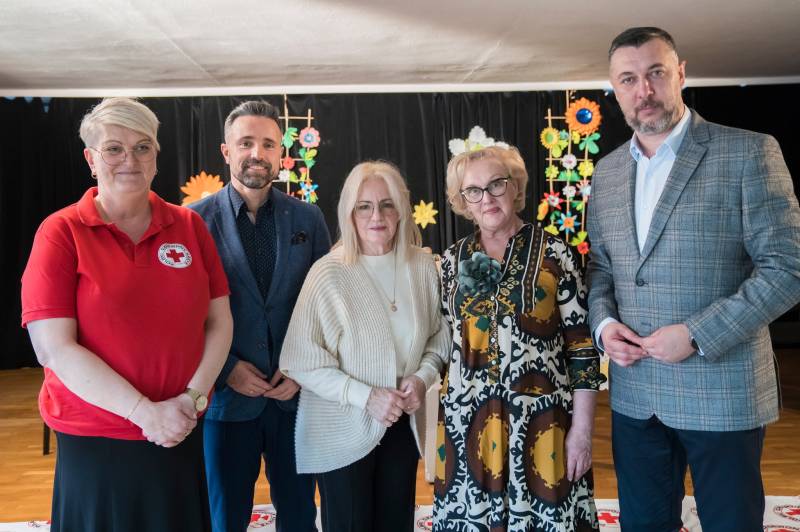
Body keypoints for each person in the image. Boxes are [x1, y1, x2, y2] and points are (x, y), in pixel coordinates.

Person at [586, 27, 800, 532]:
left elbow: (788, 267)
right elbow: (601, 268)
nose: (644, 90)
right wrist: (603, 326)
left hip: (722, 390)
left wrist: (698, 334)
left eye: (656, 73)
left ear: (680, 74)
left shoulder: (748, 152)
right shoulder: (606, 173)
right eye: (628, 79)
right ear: (615, 89)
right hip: (637, 394)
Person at [20, 97, 233, 532]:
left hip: (179, 429)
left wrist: (190, 401)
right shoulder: (61, 232)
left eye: (142, 147)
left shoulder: (189, 227)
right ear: (90, 159)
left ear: (156, 156)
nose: (130, 160)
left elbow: (220, 322)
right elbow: (53, 348)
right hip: (96, 438)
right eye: (114, 148)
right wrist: (143, 413)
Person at [433, 145, 604, 531]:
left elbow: (582, 348)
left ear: (515, 186)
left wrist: (582, 431)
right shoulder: (451, 261)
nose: (486, 197)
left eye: (496, 184)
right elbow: (441, 343)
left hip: (543, 425)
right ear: (463, 201)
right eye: (473, 190)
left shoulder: (555, 254)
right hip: (468, 426)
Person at [279, 161, 449, 532]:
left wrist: (422, 376)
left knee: (396, 523)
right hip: (342, 425)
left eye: (387, 204)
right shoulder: (328, 272)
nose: (377, 216)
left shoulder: (423, 267)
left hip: (401, 424)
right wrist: (366, 396)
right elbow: (301, 360)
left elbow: (440, 335)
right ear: (349, 213)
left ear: (401, 210)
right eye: (364, 206)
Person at [190, 100, 331, 532]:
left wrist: (304, 369)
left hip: (293, 398)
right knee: (225, 518)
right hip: (227, 402)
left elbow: (326, 304)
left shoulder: (308, 218)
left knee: (300, 515)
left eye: (268, 144)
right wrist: (226, 370)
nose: (258, 153)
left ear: (280, 153)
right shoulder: (193, 223)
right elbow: (185, 315)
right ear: (226, 151)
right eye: (246, 143)